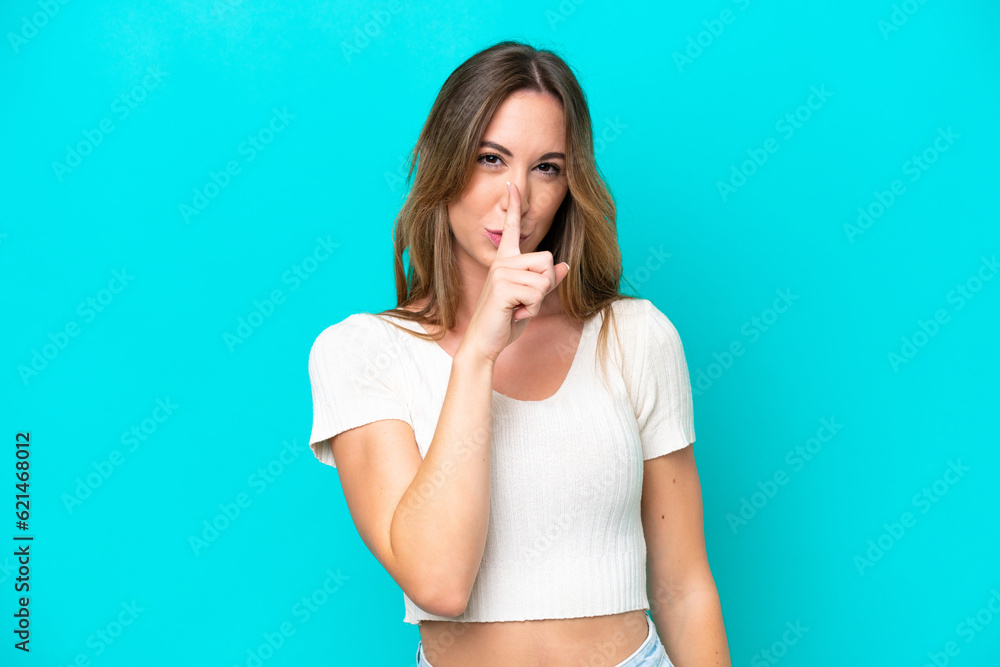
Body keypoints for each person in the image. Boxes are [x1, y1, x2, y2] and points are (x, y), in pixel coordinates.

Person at [307, 40, 731, 667]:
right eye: (490, 158)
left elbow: (684, 585)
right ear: (443, 161)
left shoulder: (636, 337)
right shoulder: (361, 352)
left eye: (547, 168)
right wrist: (477, 354)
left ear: (569, 186)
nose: (518, 199)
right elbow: (439, 583)